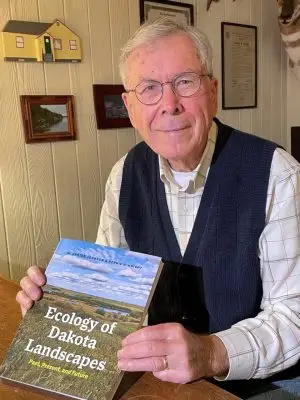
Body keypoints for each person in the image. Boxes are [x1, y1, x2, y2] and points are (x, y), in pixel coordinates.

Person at [16, 19, 300, 399]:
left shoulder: (277, 175)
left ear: (212, 92)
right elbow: (111, 298)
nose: (169, 104)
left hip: (262, 386)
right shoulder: (124, 176)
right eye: (149, 88)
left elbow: (294, 314)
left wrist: (213, 352)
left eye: (185, 81)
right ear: (130, 107)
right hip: (159, 381)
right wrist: (60, 310)